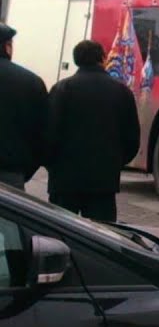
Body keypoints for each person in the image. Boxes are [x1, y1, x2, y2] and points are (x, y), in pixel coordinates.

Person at [45, 40, 141, 221]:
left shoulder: (62, 89)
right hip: (103, 181)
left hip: (65, 180)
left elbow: (48, 134)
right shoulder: (121, 91)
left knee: (60, 234)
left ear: (76, 60)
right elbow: (132, 138)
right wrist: (115, 163)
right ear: (103, 59)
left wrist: (53, 164)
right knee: (102, 236)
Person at [0, 22, 48, 190]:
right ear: (7, 47)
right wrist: (25, 170)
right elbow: (42, 133)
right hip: (10, 174)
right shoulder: (31, 82)